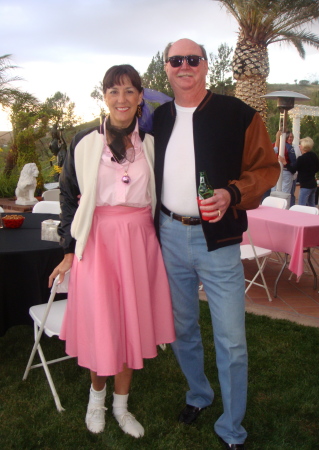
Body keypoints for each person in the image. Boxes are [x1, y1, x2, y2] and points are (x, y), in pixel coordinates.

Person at [153, 38, 280, 449]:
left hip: (219, 240)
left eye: (193, 59)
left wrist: (232, 193)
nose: (184, 65)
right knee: (182, 327)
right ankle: (199, 394)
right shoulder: (158, 118)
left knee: (232, 339)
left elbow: (267, 167)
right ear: (167, 67)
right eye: (176, 60)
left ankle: (232, 427)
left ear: (206, 66)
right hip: (168, 235)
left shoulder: (238, 114)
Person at [49, 64, 175, 438]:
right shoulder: (84, 142)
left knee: (130, 324)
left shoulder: (153, 145)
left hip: (139, 244)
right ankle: (96, 401)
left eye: (129, 91)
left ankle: (121, 406)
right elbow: (69, 198)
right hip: (99, 243)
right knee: (103, 324)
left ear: (140, 98)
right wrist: (70, 249)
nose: (121, 99)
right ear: (103, 96)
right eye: (113, 91)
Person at [279, 136, 319, 207]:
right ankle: (314, 217)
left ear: (304, 147)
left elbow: (293, 170)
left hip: (305, 185)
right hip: (313, 184)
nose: (299, 146)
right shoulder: (313, 155)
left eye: (301, 144)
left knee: (301, 205)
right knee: (311, 205)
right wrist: (311, 171)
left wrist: (285, 163)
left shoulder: (301, 158)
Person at [273, 130, 297, 206]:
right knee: (285, 194)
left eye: (292, 137)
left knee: (274, 193)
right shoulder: (289, 148)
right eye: (289, 137)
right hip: (285, 171)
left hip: (276, 171)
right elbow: (294, 163)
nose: (290, 138)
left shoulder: (273, 145)